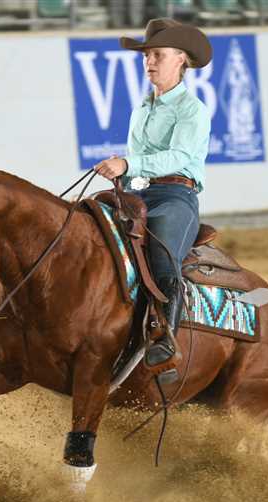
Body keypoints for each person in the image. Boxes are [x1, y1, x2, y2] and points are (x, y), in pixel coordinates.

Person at [94, 18, 212, 374]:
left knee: (161, 251)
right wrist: (125, 173)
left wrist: (127, 163)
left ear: (181, 59)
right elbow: (139, 162)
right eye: (146, 55)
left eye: (158, 54)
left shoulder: (192, 110)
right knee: (87, 229)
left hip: (176, 196)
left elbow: (178, 157)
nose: (149, 62)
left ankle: (165, 339)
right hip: (137, 193)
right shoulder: (142, 108)